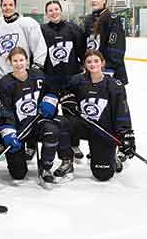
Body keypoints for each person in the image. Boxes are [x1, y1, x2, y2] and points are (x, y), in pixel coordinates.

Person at [41, 49, 134, 182]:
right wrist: (69, 99)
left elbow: (122, 112)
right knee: (59, 122)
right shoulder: (77, 80)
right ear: (84, 64)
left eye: (96, 61)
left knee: (103, 174)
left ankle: (112, 158)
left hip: (103, 130)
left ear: (102, 63)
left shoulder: (115, 85)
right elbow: (64, 91)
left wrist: (126, 135)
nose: (92, 64)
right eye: (89, 62)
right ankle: (67, 161)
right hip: (83, 125)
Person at [0, 47, 71, 184]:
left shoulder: (38, 75)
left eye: (21, 60)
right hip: (18, 128)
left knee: (52, 130)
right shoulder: (4, 83)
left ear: (27, 61)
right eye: (15, 61)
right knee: (18, 174)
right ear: (10, 62)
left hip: (38, 123)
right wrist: (8, 133)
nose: (19, 64)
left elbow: (52, 90)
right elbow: (4, 111)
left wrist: (50, 101)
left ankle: (46, 167)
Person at [40, 0, 86, 160]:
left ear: (61, 10)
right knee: (49, 114)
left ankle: (74, 144)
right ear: (46, 13)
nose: (54, 12)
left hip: (70, 80)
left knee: (71, 114)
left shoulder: (74, 28)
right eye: (50, 10)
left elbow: (82, 52)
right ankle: (49, 143)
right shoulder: (42, 30)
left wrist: (80, 71)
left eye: (56, 9)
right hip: (50, 81)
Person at [0, 0, 47, 80]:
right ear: (1, 7)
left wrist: (37, 67)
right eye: (4, 5)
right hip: (1, 76)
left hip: (22, 75)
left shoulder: (27, 23)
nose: (7, 7)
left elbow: (39, 46)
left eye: (11, 5)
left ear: (15, 7)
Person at [84, 0, 128, 84]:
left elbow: (117, 46)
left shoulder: (113, 19)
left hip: (110, 71)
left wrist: (108, 68)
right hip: (93, 69)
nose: (93, 0)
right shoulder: (88, 20)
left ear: (104, 0)